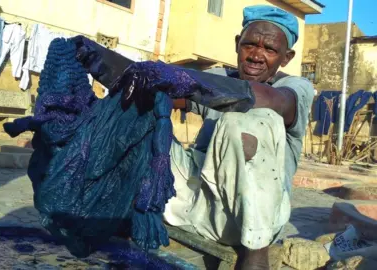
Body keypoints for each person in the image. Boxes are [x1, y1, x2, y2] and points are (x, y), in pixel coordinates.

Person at [71, 5, 314, 269]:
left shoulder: (294, 88)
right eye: (250, 45)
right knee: (139, 112)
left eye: (270, 50)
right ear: (237, 44)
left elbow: (267, 99)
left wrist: (176, 77)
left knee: (245, 120)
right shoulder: (219, 77)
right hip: (193, 203)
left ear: (286, 58)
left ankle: (255, 253)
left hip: (250, 220)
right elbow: (157, 93)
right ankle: (126, 212)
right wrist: (102, 62)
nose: (256, 55)